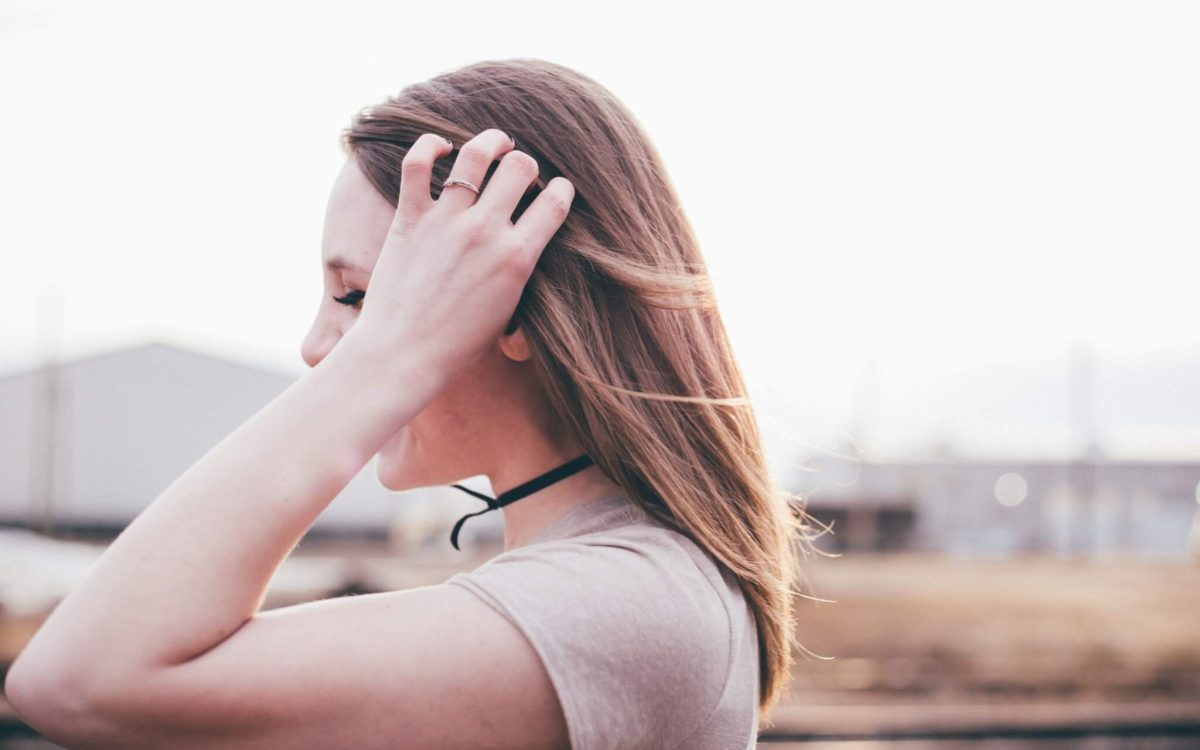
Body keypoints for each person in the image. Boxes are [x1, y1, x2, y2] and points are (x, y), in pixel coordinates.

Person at [5, 58, 823, 749]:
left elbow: (75, 681)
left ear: (515, 308)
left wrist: (388, 355)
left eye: (360, 295)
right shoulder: (612, 584)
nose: (319, 346)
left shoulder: (627, 605)